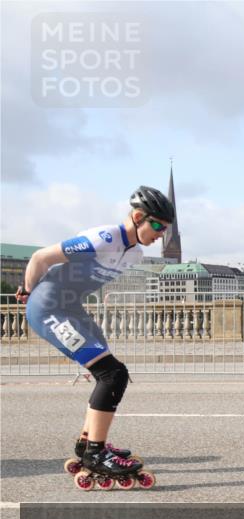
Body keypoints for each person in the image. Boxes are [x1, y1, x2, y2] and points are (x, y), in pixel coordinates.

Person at [18, 186, 173, 490]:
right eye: (157, 226)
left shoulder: (135, 253)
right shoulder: (103, 238)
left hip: (71, 309)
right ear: (138, 217)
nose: (161, 234)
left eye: (166, 229)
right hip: (49, 308)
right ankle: (96, 453)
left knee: (108, 372)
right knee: (113, 374)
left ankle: (88, 442)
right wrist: (28, 291)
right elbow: (40, 257)